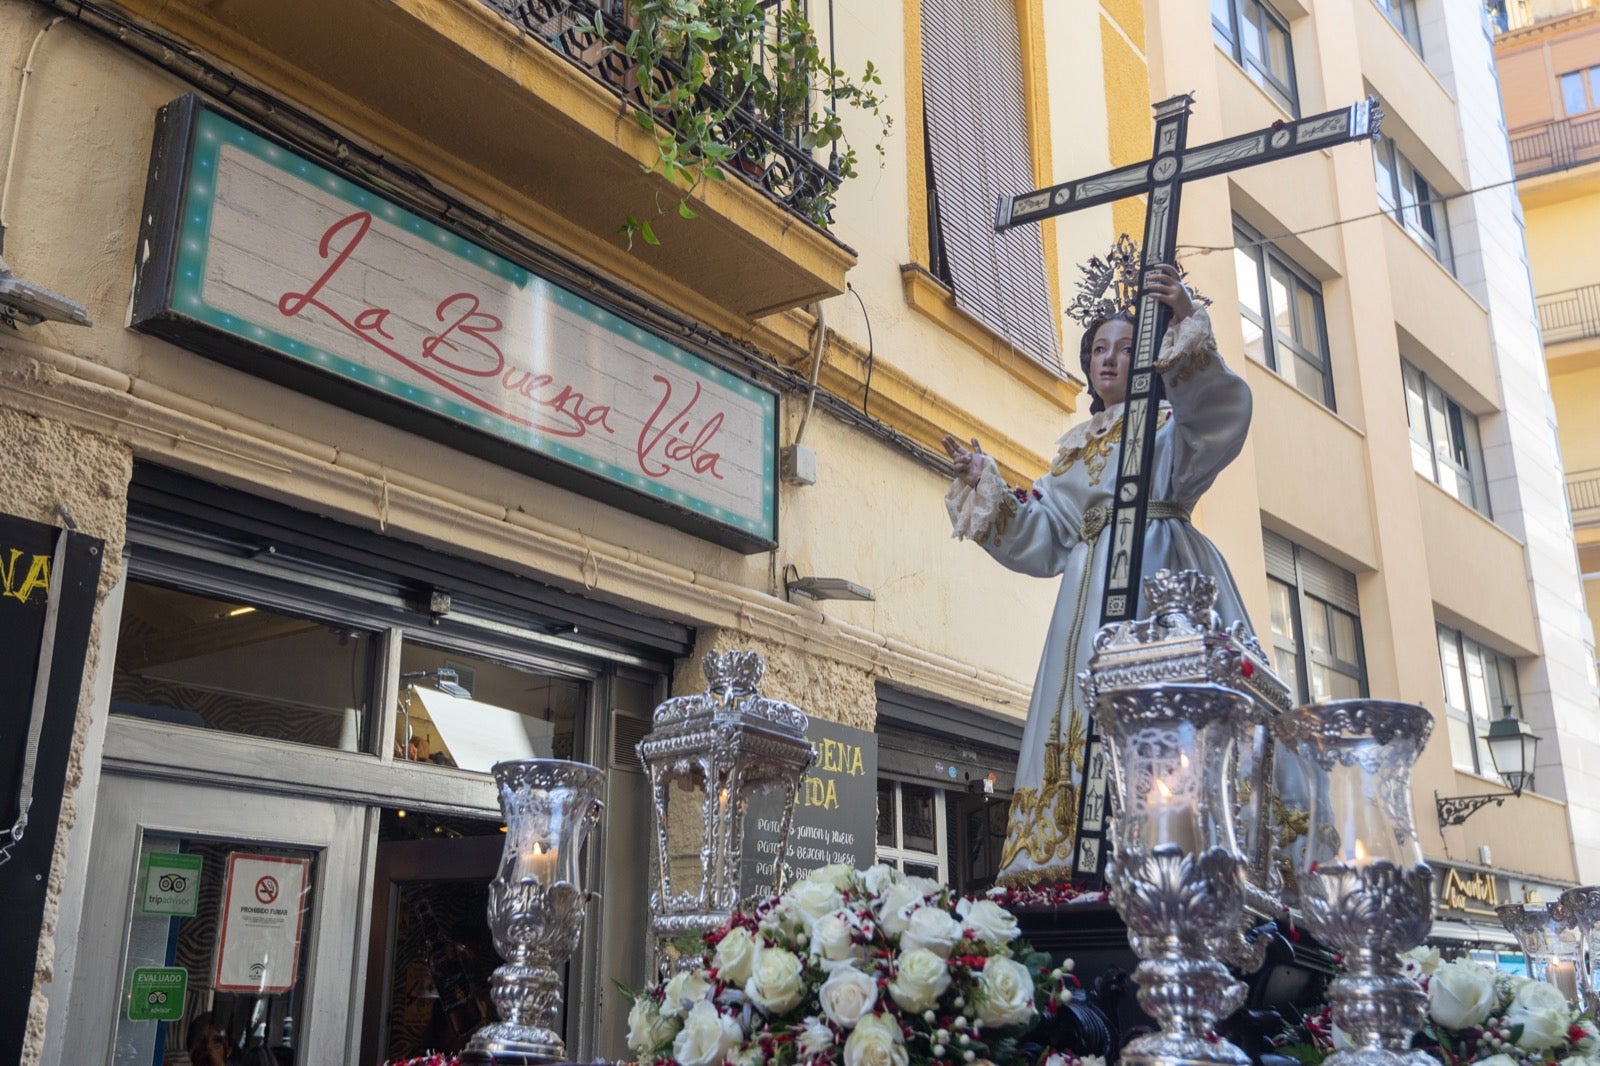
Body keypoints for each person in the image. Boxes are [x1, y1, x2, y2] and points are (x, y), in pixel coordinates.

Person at [940, 262, 1254, 888]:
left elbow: (1218, 418)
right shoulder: (1074, 448)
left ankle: (1183, 848)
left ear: (1149, 356)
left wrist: (1186, 322)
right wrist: (987, 480)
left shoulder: (1172, 428)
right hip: (1085, 600)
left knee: (1165, 716)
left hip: (1158, 572)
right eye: (1097, 350)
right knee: (1078, 714)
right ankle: (1074, 855)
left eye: (1125, 348)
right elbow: (1047, 532)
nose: (1108, 360)